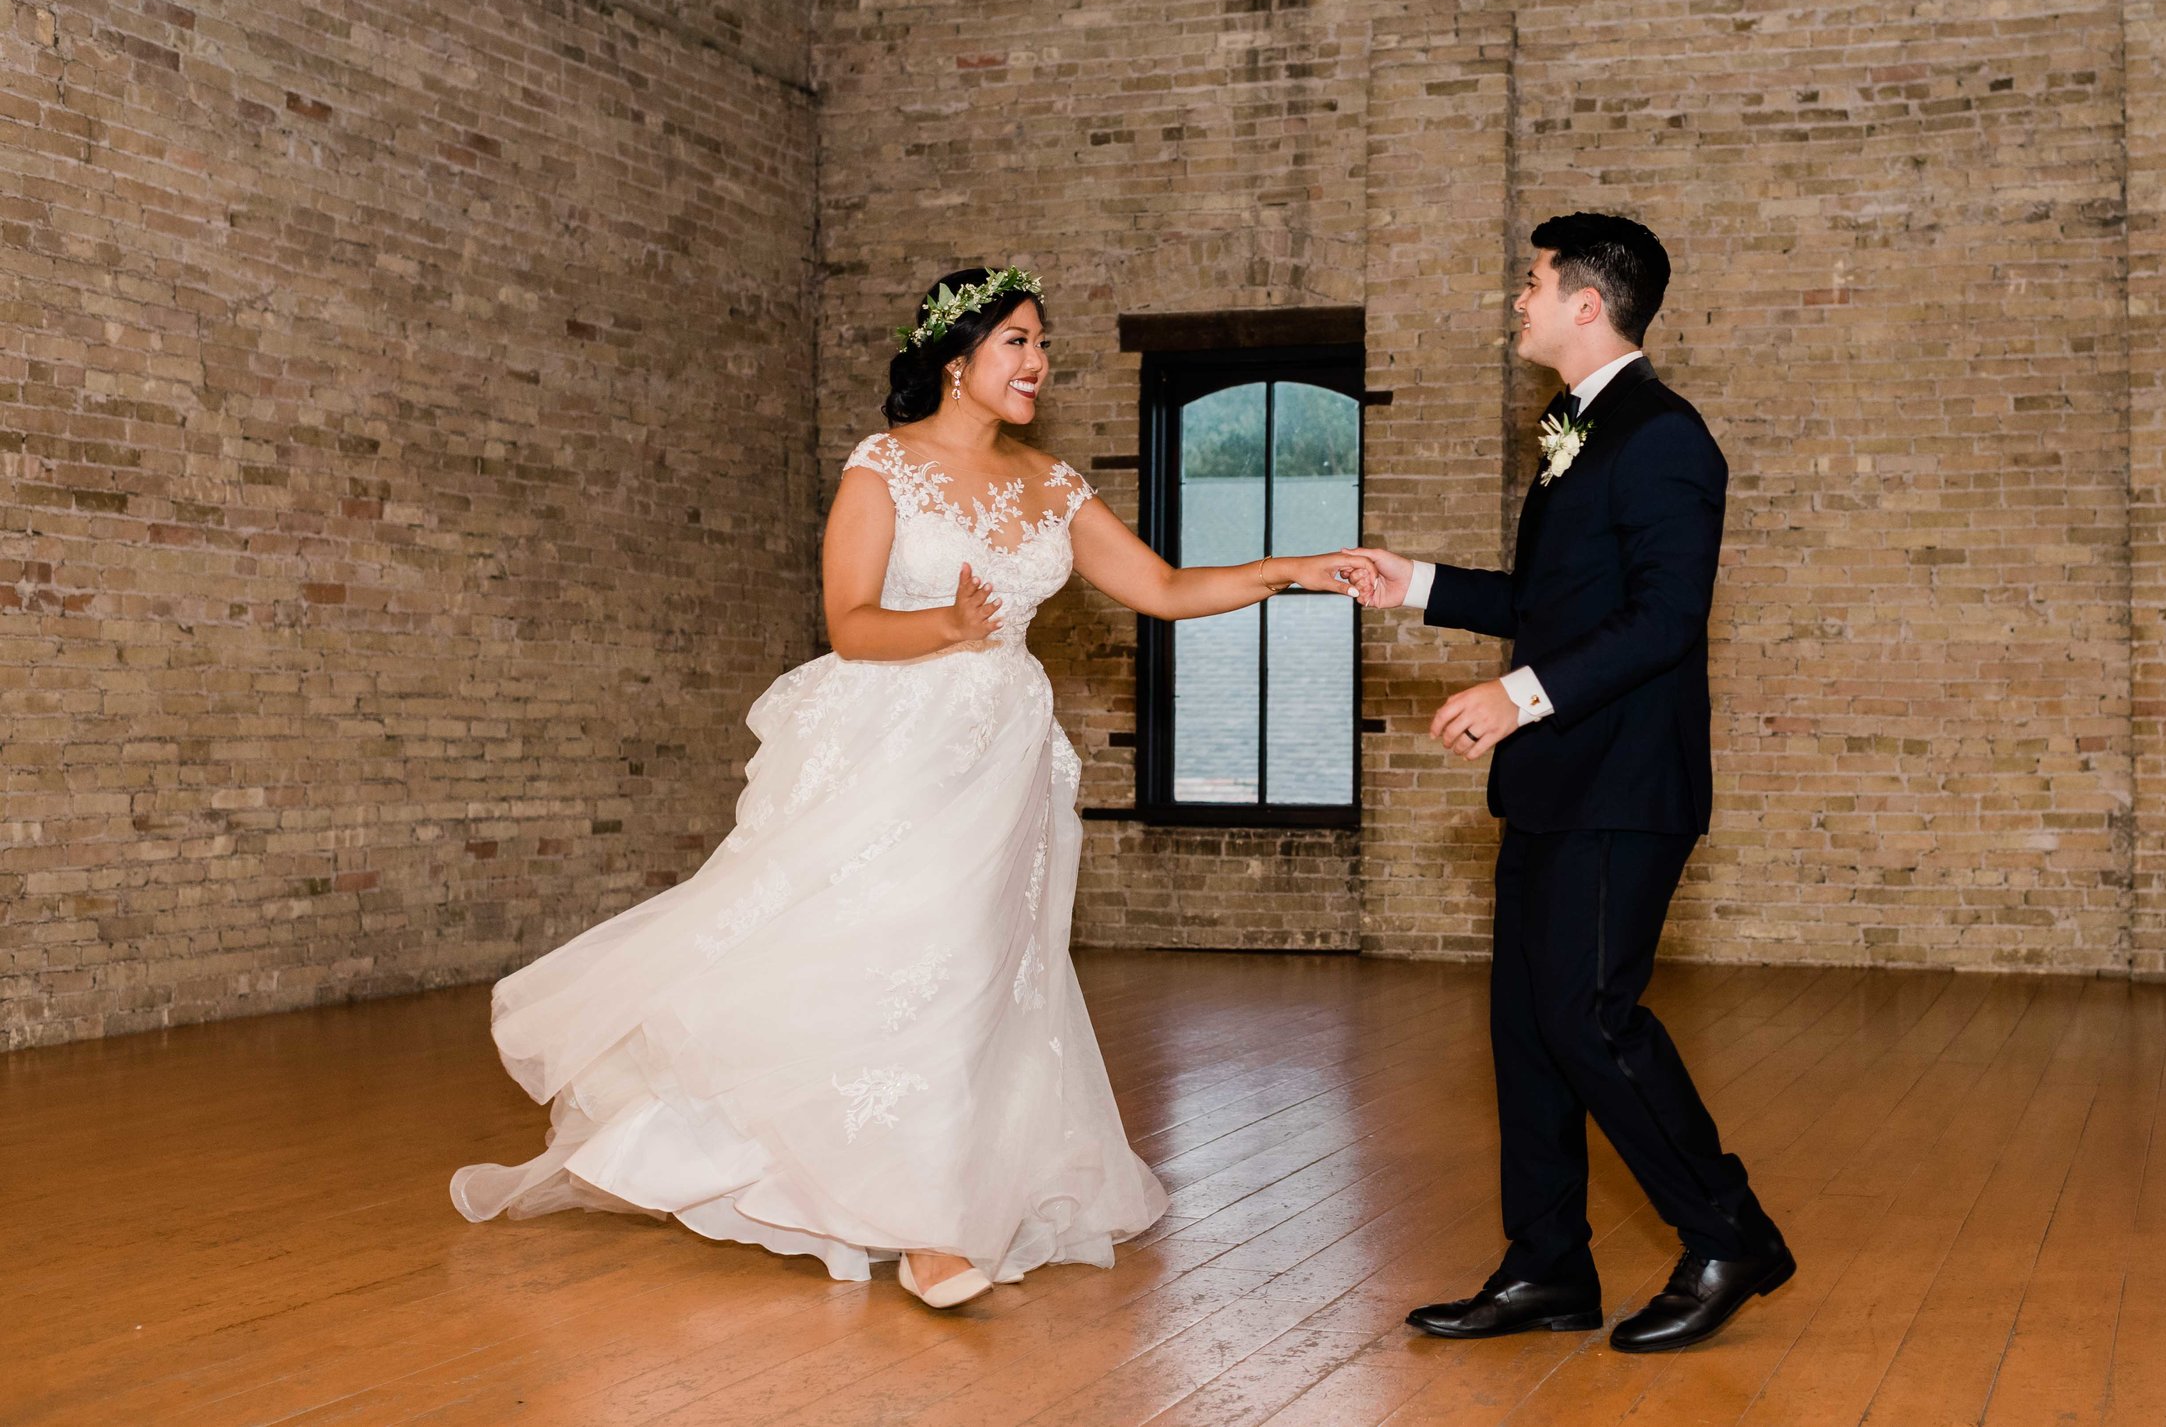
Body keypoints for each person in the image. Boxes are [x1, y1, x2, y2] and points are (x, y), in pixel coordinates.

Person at [452, 266, 1373, 1309]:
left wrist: (1296, 568)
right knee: (896, 959)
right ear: (956, 359)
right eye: (1017, 342)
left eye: (1042, 343)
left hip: (1004, 753)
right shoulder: (880, 468)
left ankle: (942, 1204)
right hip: (892, 742)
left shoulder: (1052, 482)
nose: (1038, 362)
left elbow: (1160, 585)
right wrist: (944, 626)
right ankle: (918, 1227)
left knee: (977, 970)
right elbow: (849, 620)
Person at [1348, 212, 1792, 1354]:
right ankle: (1548, 1264)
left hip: (1624, 787)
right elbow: (1560, 602)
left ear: (1587, 303)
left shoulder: (1663, 437)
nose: (1518, 297)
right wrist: (1417, 585)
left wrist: (1517, 696)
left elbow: (1664, 621)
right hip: (1558, 783)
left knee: (1591, 1019)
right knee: (1527, 1030)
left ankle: (1727, 1231)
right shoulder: (1572, 428)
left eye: (1532, 281)